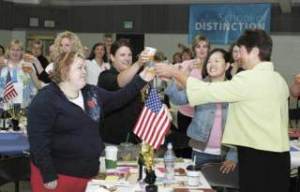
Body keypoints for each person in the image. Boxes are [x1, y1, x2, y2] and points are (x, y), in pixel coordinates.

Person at [155, 29, 290, 192]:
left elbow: (207, 91)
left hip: (256, 157)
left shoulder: (247, 79)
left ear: (254, 51)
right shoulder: (279, 80)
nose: (238, 57)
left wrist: (175, 72)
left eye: (241, 52)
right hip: (281, 157)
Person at [27, 51, 154, 192]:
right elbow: (38, 142)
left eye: (85, 68)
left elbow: (119, 98)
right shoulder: (45, 99)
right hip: (57, 176)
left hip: (87, 175)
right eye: (79, 68)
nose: (84, 72)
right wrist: (48, 175)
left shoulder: (90, 92)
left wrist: (142, 78)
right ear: (64, 71)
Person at [165, 48, 237, 174]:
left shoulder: (235, 90)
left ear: (226, 66)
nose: (212, 64)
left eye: (216, 61)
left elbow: (239, 126)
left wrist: (233, 155)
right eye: (209, 61)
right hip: (200, 152)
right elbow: (178, 99)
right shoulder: (199, 86)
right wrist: (175, 80)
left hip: (226, 155)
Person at [98, 39, 150, 144]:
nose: (127, 58)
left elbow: (145, 101)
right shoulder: (105, 76)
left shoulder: (137, 78)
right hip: (111, 141)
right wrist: (138, 64)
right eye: (122, 55)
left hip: (133, 140)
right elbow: (120, 81)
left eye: (129, 55)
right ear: (112, 57)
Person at [172, 34, 210, 158]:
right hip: (185, 113)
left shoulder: (212, 66)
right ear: (194, 49)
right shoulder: (187, 64)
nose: (202, 49)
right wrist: (187, 72)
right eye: (198, 46)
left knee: (199, 149)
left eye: (205, 46)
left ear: (209, 49)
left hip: (203, 115)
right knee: (184, 148)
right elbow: (177, 86)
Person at [0, 39, 41, 109]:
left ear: (22, 52)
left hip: (24, 106)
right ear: (8, 51)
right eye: (13, 49)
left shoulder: (28, 65)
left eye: (18, 50)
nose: (15, 52)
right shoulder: (2, 63)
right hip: (4, 106)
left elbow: (38, 86)